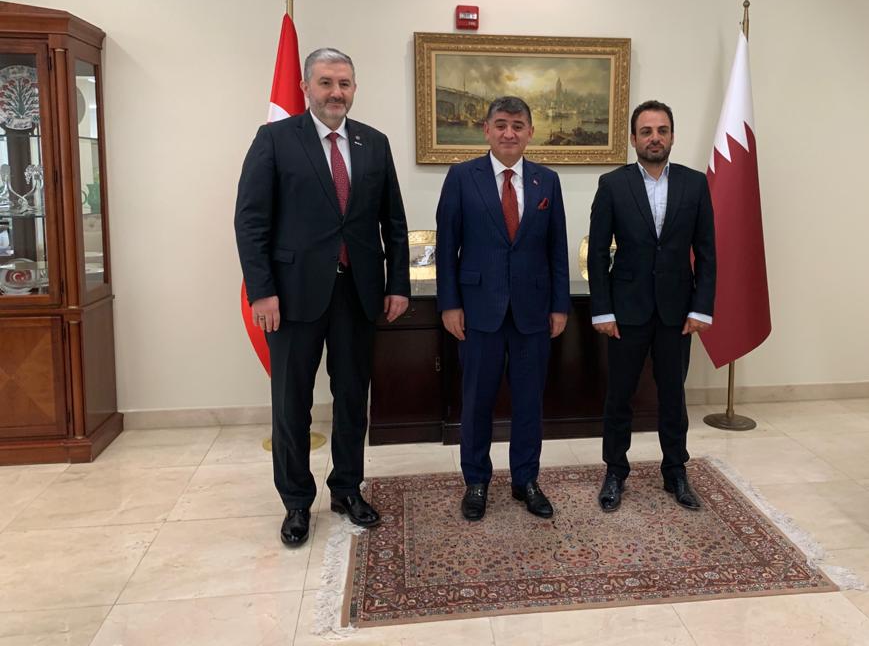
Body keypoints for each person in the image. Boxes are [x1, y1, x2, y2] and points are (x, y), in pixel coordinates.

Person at [234, 48, 410, 546]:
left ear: (354, 88)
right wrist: (262, 292)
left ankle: (347, 489)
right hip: (291, 298)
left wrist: (397, 284)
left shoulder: (374, 143)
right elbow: (251, 221)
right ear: (306, 87)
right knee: (292, 402)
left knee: (353, 397)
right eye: (327, 82)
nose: (337, 92)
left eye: (345, 83)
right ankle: (296, 501)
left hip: (358, 293)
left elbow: (393, 222)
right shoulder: (275, 139)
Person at [435, 96, 570, 522]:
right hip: (478, 311)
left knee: (529, 402)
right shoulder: (462, 177)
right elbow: (446, 248)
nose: (509, 133)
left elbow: (557, 249)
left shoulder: (547, 181)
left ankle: (525, 480)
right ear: (487, 130)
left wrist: (560, 306)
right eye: (501, 125)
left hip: (533, 313)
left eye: (517, 125)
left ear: (530, 132)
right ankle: (476, 481)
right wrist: (450, 304)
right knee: (477, 401)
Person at [587, 100, 716, 513]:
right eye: (646, 131)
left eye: (662, 130)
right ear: (633, 139)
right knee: (619, 396)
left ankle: (675, 470)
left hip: (677, 313)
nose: (654, 138)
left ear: (672, 136)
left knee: (673, 397)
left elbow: (707, 252)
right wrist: (602, 310)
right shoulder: (612, 184)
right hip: (626, 312)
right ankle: (615, 471)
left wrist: (701, 308)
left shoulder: (695, 184)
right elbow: (597, 254)